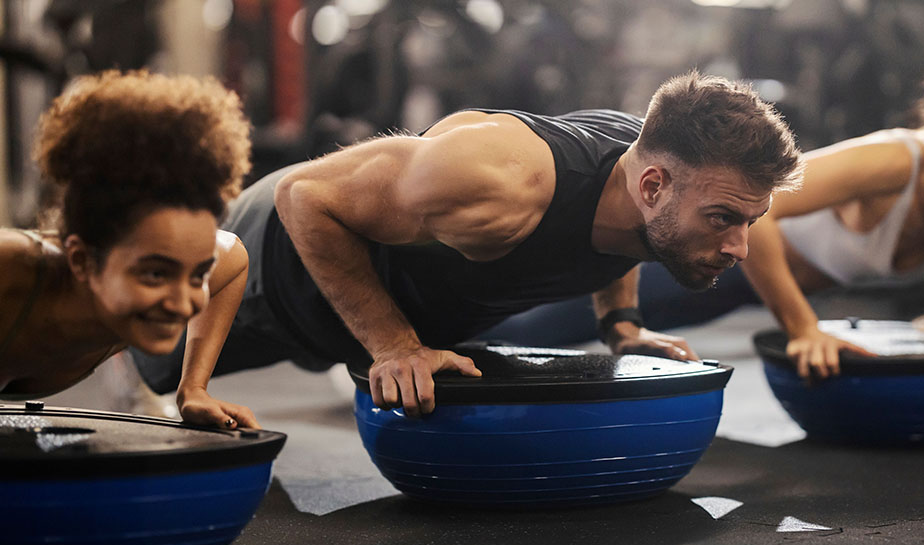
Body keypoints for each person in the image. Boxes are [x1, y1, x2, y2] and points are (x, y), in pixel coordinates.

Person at [132, 70, 803, 419]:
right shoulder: (499, 183)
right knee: (144, 360)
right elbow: (304, 200)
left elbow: (629, 238)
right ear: (652, 184)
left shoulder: (651, 180)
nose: (741, 246)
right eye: (724, 220)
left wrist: (619, 324)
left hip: (362, 315)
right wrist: (392, 344)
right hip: (272, 271)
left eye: (750, 220)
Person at [485, 49, 924, 381]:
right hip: (699, 251)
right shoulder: (896, 160)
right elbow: (755, 212)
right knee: (526, 327)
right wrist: (803, 328)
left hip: (734, 287)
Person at [0, 70, 259, 429]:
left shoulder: (204, 264)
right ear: (82, 261)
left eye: (197, 275)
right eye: (155, 274)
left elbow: (232, 256)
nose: (182, 303)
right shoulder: (9, 274)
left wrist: (193, 389)